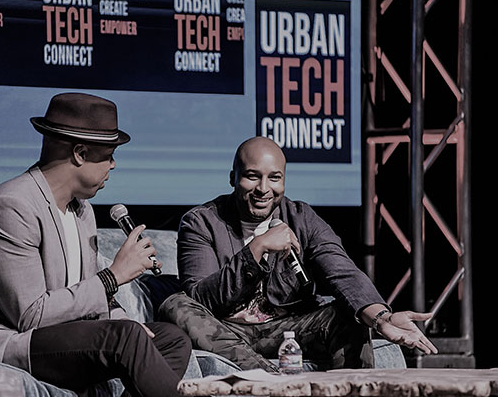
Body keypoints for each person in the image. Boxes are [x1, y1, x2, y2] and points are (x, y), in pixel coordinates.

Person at [0, 92, 191, 396]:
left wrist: (119, 316)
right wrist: (113, 277)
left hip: (59, 335)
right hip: (6, 342)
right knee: (126, 337)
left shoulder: (81, 209)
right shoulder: (11, 206)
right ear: (80, 153)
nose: (113, 165)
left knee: (170, 338)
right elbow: (30, 315)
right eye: (109, 155)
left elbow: (85, 295)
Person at [160, 136, 437, 372]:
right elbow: (200, 298)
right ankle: (268, 378)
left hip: (288, 329)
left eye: (274, 178)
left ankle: (353, 389)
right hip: (226, 331)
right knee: (175, 305)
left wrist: (381, 319)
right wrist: (256, 249)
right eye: (252, 176)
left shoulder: (302, 218)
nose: (263, 189)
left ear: (284, 181)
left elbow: (342, 271)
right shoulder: (201, 222)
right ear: (233, 178)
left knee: (345, 314)